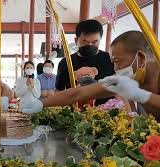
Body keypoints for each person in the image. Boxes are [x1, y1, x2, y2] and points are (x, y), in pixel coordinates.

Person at [22, 31, 160, 120]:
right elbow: (78, 93)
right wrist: (40, 104)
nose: (116, 69)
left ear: (141, 58)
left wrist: (142, 96)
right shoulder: (127, 82)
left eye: (117, 62)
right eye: (113, 63)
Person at [55, 19, 115, 105]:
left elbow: (118, 87)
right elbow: (59, 90)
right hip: (75, 114)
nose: (90, 45)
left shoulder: (110, 59)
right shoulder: (66, 62)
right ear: (76, 41)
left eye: (94, 42)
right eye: (85, 42)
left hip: (107, 113)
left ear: (100, 40)